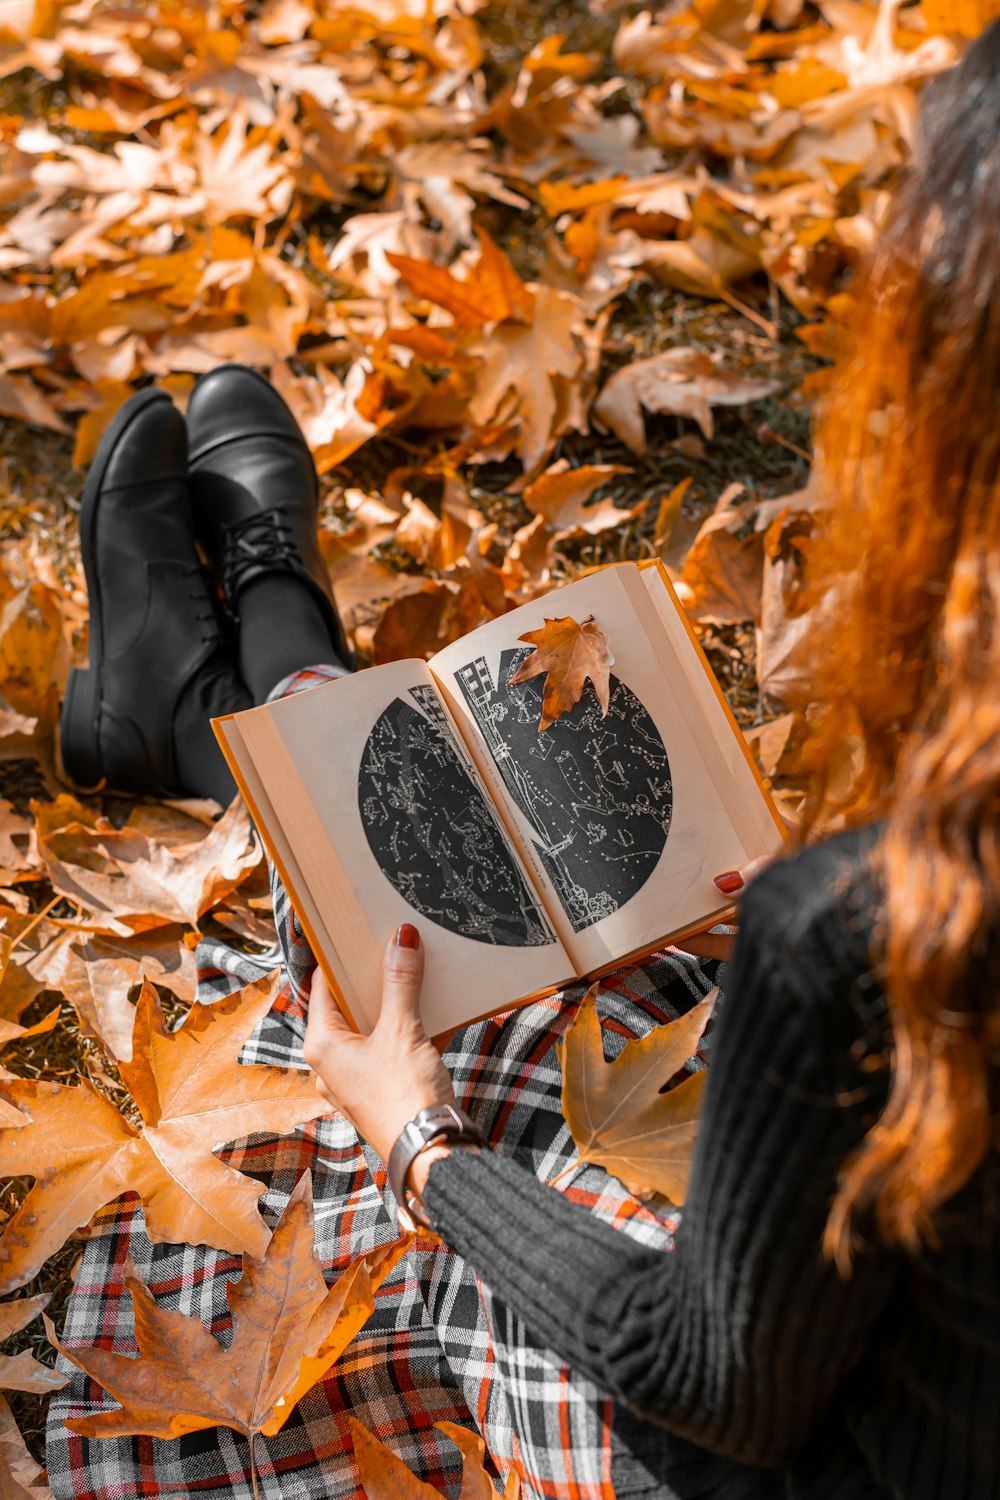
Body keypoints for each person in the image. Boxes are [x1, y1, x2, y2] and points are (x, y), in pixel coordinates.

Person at [48, 24, 999, 1500]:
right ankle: (236, 677)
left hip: (774, 1459)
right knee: (591, 973)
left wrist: (420, 1150)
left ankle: (255, 670)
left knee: (474, 1015)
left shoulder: (877, 931)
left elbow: (707, 1379)